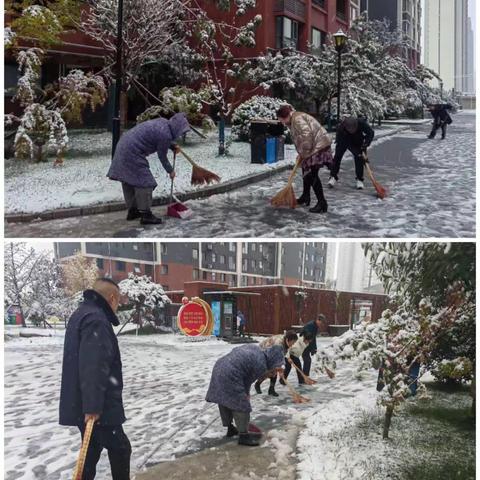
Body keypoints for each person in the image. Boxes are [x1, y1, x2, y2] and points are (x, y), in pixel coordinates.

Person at [59, 278, 130, 480]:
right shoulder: (96, 319)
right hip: (99, 407)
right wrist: (92, 408)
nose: (117, 307)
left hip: (86, 402)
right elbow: (94, 365)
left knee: (91, 451)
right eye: (118, 302)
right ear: (112, 298)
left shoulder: (82, 314)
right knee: (121, 450)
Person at [107, 112, 191, 225]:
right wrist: (170, 171)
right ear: (177, 128)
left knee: (129, 180)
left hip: (122, 146)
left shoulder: (164, 123)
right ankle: (146, 215)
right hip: (132, 153)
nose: (180, 135)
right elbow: (162, 156)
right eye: (181, 132)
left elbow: (157, 137)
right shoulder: (165, 135)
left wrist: (171, 145)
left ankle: (133, 211)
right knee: (146, 183)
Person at [206, 344, 284, 446]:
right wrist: (246, 395)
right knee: (241, 404)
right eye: (275, 366)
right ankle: (243, 436)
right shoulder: (261, 364)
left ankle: (230, 428)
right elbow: (246, 382)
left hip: (219, 367)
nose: (274, 372)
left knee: (224, 398)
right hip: (231, 373)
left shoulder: (257, 350)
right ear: (273, 360)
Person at [277, 104, 333, 214]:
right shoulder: (294, 119)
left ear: (286, 116)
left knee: (312, 175)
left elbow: (307, 136)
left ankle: (322, 203)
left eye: (281, 120)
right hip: (315, 146)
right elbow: (301, 138)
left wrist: (303, 153)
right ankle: (305, 196)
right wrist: (301, 153)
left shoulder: (297, 120)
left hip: (317, 147)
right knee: (306, 172)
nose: (282, 122)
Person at [329, 116, 375, 190]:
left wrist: (366, 143)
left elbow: (370, 133)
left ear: (356, 125)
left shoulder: (361, 123)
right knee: (337, 157)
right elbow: (348, 145)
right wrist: (358, 153)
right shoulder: (342, 129)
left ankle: (359, 179)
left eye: (353, 129)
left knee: (359, 159)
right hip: (344, 140)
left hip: (358, 140)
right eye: (350, 129)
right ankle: (333, 176)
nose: (352, 130)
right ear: (346, 127)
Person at [254, 330, 298, 396]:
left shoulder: (285, 341)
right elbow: (277, 360)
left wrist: (280, 368)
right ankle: (257, 384)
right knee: (269, 371)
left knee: (274, 371)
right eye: (293, 342)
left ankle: (271, 389)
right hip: (262, 353)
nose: (293, 344)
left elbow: (281, 356)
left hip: (270, 352)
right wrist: (281, 370)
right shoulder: (278, 345)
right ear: (288, 339)